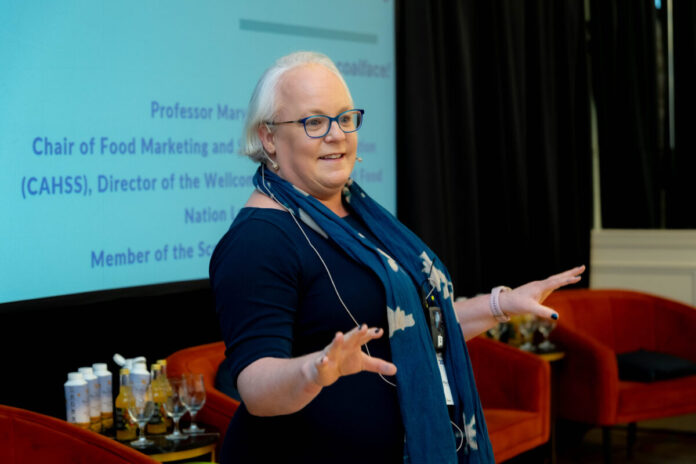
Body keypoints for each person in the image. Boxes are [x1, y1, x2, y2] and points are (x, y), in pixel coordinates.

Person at [210, 51, 584, 464]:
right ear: (268, 138)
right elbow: (256, 389)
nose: (336, 135)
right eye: (314, 122)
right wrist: (315, 370)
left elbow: (413, 328)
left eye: (344, 118)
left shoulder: (359, 216)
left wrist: (501, 304)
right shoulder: (258, 239)